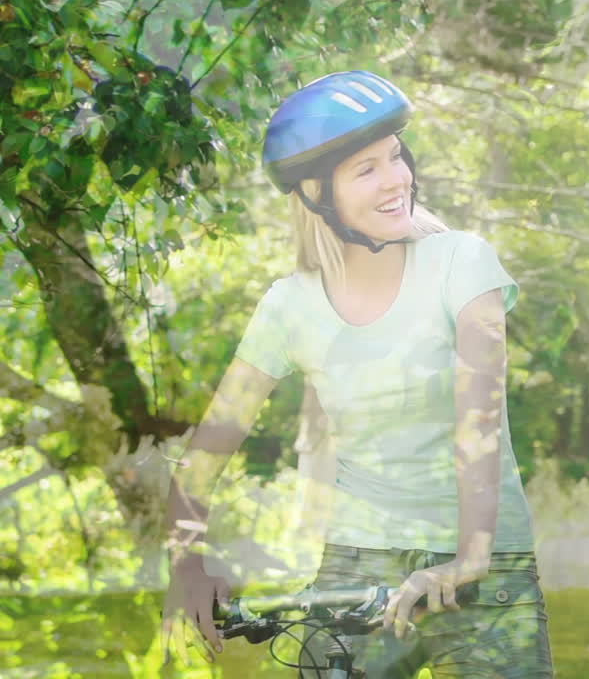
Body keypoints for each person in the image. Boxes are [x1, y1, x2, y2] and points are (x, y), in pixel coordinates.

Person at [160, 70, 553, 678]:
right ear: (317, 194)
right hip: (358, 563)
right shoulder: (289, 305)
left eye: (395, 157)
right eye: (366, 169)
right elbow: (204, 455)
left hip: (488, 563)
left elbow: (478, 417)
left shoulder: (462, 262)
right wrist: (186, 565)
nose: (397, 179)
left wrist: (469, 558)